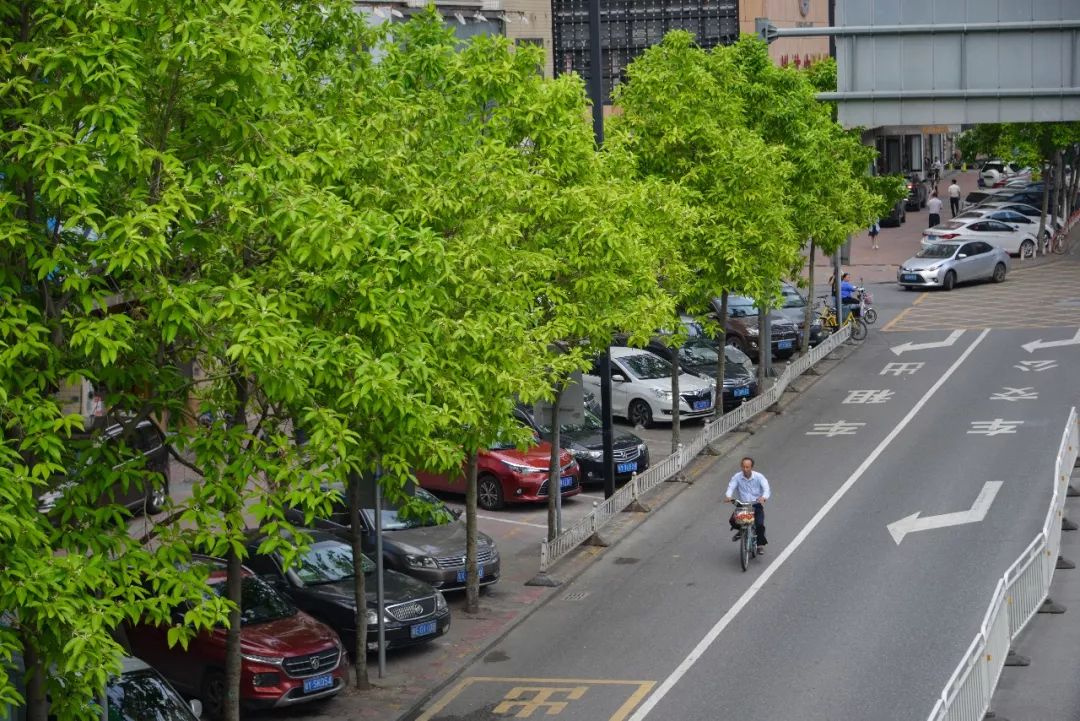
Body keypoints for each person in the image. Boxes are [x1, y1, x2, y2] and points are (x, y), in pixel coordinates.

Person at [726, 457, 770, 553]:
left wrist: (763, 497)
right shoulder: (737, 477)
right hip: (744, 505)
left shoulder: (759, 477)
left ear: (751, 467)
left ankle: (760, 545)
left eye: (747, 467)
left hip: (756, 504)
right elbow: (731, 486)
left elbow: (766, 489)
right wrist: (728, 496)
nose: (745, 469)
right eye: (743, 467)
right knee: (733, 521)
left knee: (759, 524)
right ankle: (742, 531)